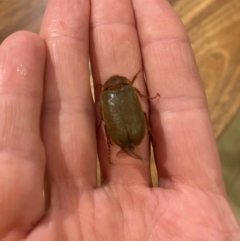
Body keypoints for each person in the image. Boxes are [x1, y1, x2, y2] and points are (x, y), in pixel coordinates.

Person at [0, 0, 239, 240]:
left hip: (126, 132)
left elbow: (105, 119)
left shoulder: (106, 96)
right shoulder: (128, 88)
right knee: (136, 116)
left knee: (113, 123)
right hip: (134, 130)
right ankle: (126, 145)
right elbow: (132, 106)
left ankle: (120, 147)